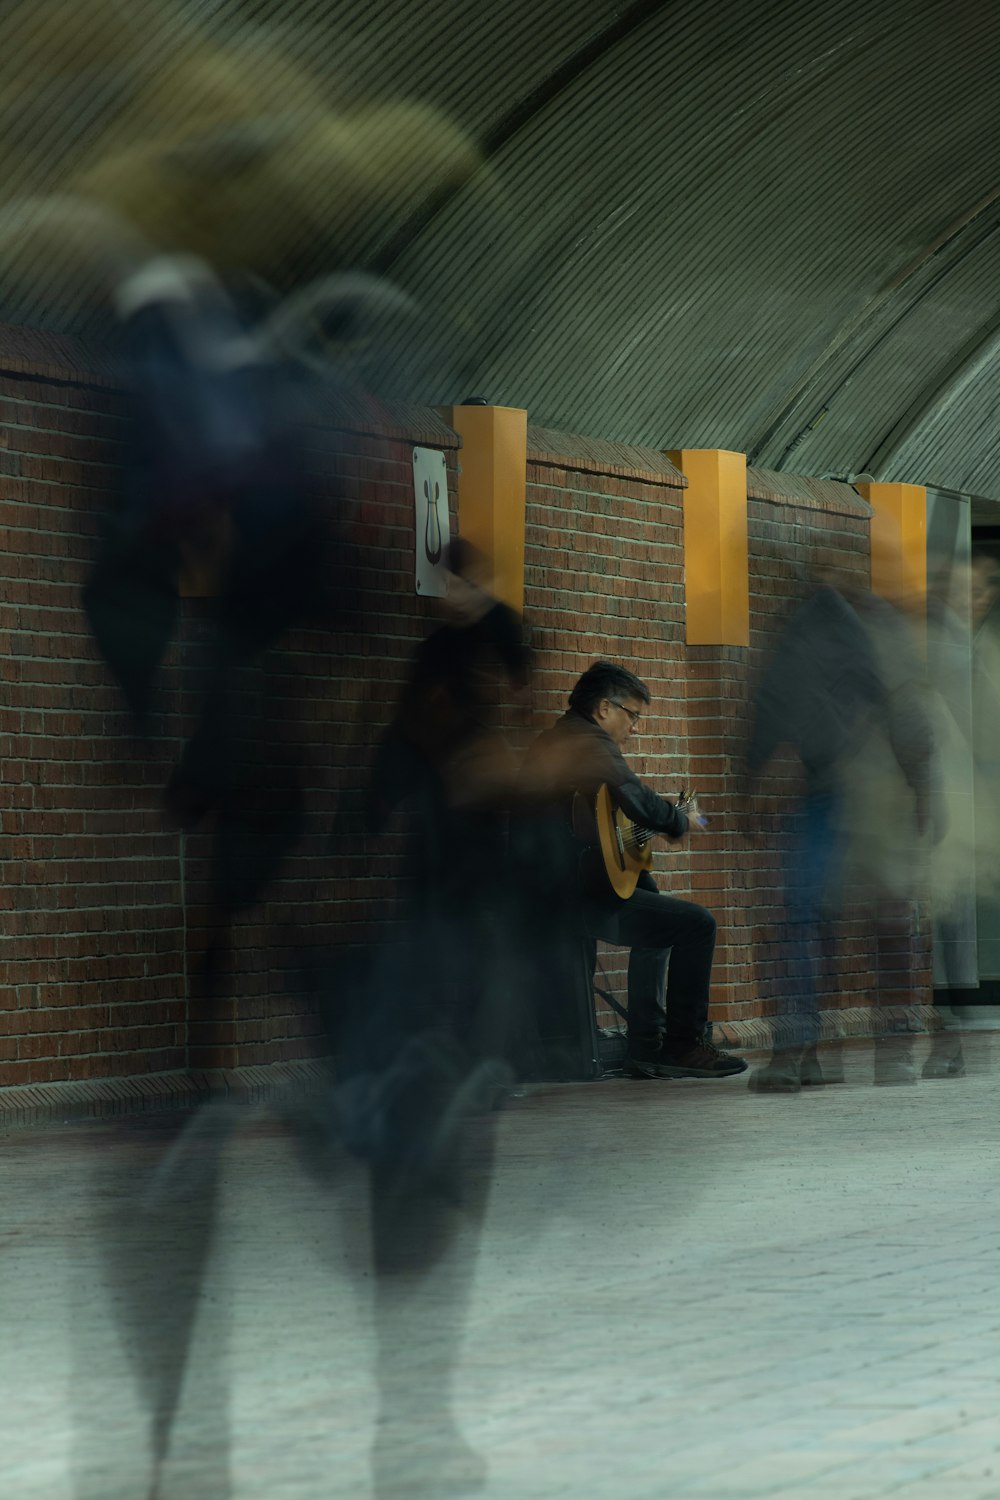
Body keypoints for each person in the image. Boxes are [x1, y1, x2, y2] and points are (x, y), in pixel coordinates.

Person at [520, 661, 746, 1080]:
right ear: (605, 708)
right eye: (634, 715)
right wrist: (679, 820)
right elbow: (634, 795)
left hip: (553, 888)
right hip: (570, 896)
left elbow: (601, 824)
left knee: (650, 893)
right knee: (698, 925)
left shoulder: (557, 739)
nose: (637, 727)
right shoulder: (587, 743)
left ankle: (647, 1043)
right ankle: (679, 1046)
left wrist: (639, 834)